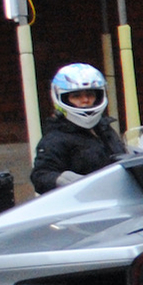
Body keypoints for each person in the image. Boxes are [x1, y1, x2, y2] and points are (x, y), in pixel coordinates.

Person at [32, 62, 126, 193]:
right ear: (63, 98)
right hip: (83, 202)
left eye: (90, 95)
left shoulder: (104, 129)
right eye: (76, 96)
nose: (85, 100)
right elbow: (41, 175)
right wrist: (63, 180)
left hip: (116, 195)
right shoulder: (55, 138)